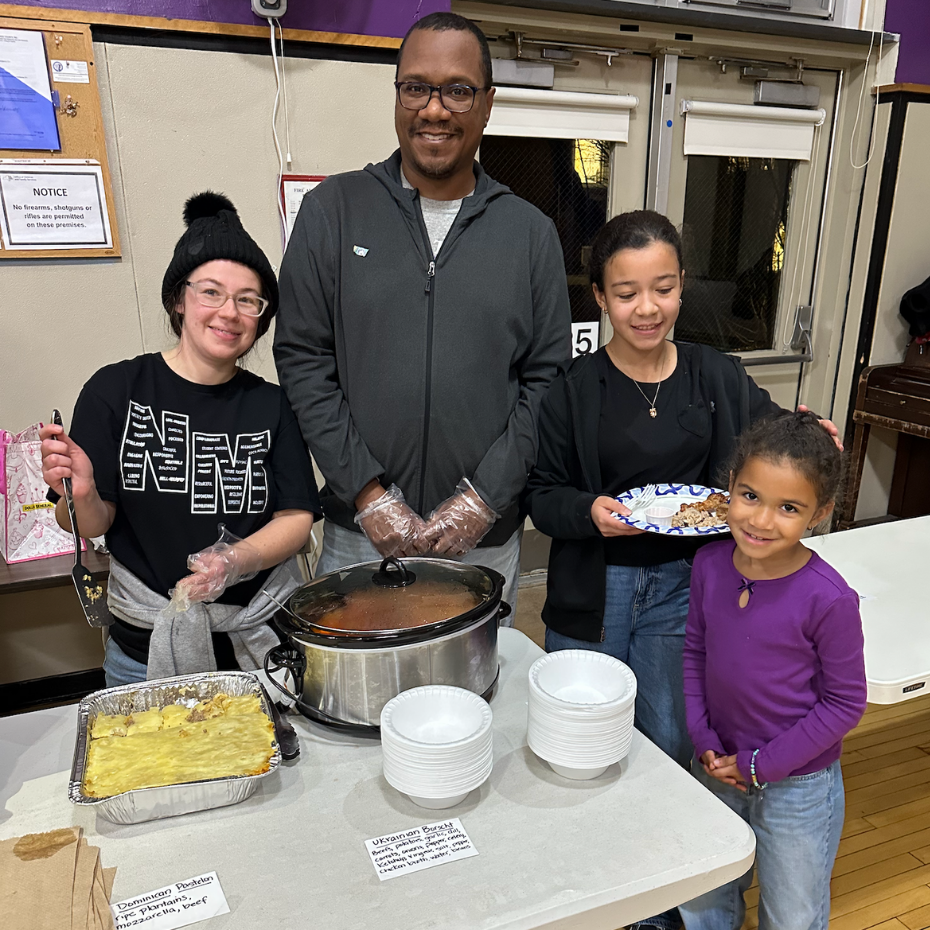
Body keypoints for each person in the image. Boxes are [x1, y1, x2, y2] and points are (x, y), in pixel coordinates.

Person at [523, 210, 839, 930]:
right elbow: (542, 495)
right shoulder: (571, 387)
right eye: (627, 291)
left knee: (671, 752)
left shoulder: (715, 375)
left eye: (662, 288)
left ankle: (667, 905)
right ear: (599, 297)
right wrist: (589, 512)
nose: (647, 308)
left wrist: (813, 425)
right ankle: (602, 900)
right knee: (589, 755)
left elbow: (774, 436)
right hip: (594, 591)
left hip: (688, 593)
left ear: (680, 288)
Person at [274, 12, 570, 612]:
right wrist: (366, 493)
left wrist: (484, 499)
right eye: (416, 87)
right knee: (360, 702)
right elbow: (303, 357)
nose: (434, 110)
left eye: (457, 91)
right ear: (398, 95)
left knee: (475, 698)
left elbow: (548, 380)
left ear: (487, 104)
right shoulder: (334, 211)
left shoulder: (529, 233)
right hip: (360, 538)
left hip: (485, 540)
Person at [40, 192, 322, 686]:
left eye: (247, 300)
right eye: (210, 292)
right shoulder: (116, 389)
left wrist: (237, 560)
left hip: (259, 645)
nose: (228, 312)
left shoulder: (272, 404)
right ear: (178, 298)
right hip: (143, 653)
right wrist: (81, 492)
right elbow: (85, 522)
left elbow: (296, 518)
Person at [679, 412, 866, 929]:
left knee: (792, 915)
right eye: (750, 496)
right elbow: (695, 651)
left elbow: (846, 702)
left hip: (798, 787)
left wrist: (762, 765)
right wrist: (702, 736)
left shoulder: (829, 600)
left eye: (788, 507)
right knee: (704, 900)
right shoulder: (709, 565)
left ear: (819, 512)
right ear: (730, 486)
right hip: (717, 765)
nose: (761, 520)